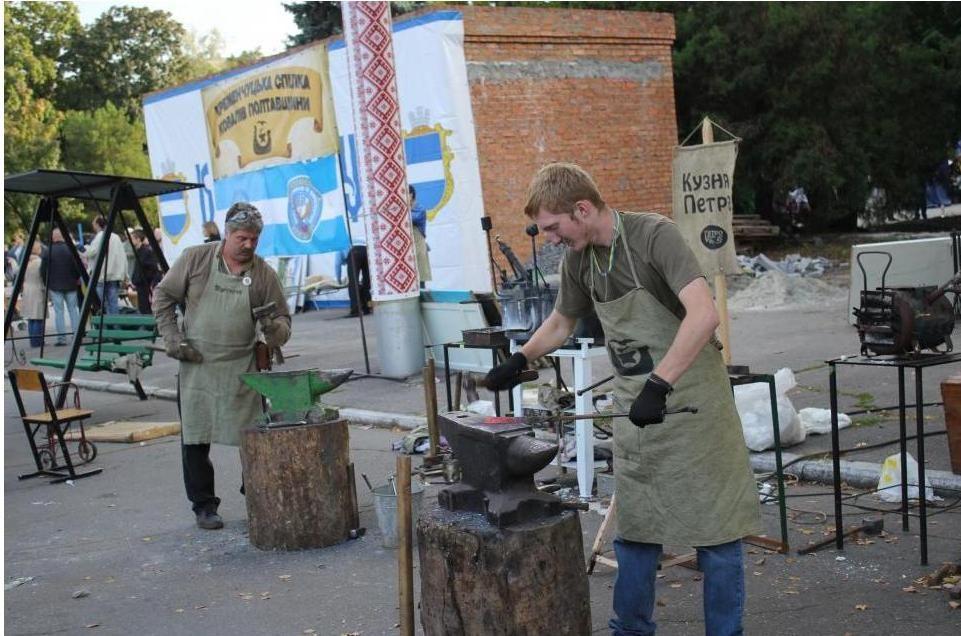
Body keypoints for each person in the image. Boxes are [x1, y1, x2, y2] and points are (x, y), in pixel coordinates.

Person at [484, 163, 761, 635]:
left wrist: (660, 383)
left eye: (553, 227)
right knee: (636, 529)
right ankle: (629, 631)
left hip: (693, 402)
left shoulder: (655, 237)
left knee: (717, 532)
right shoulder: (580, 260)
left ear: (583, 208)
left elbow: (703, 315)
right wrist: (520, 358)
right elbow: (562, 322)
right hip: (638, 408)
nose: (549, 239)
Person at [153, 202, 291, 530]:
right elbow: (162, 297)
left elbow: (285, 324)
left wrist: (273, 330)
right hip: (197, 366)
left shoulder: (263, 274)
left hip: (242, 368)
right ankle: (203, 506)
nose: (248, 245)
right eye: (242, 238)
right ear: (227, 234)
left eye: (254, 239)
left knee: (253, 437)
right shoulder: (195, 259)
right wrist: (172, 337)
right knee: (195, 440)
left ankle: (256, 494)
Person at [40, 229, 84, 346]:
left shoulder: (48, 251)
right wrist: (75, 278)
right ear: (63, 237)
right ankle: (76, 336)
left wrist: (47, 283)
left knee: (59, 312)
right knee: (73, 310)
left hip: (55, 286)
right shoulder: (71, 249)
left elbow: (43, 270)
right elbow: (77, 267)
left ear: (54, 238)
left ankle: (61, 339)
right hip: (71, 284)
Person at [86, 216, 127, 314]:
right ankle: (115, 326)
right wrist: (124, 274)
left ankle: (105, 327)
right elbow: (123, 256)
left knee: (101, 304)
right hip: (114, 276)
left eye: (93, 224)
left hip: (101, 276)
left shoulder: (100, 236)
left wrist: (86, 248)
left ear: (97, 224)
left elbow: (91, 252)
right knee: (113, 304)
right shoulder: (116, 237)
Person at [20, 243, 46, 347]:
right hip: (37, 289)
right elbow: (43, 276)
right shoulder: (39, 262)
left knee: (31, 318)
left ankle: (32, 341)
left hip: (27, 290)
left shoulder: (24, 261)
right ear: (38, 249)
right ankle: (38, 342)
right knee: (38, 317)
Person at [129, 229, 161, 315]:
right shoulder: (139, 251)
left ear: (138, 239)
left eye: (132, 238)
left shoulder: (146, 252)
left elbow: (153, 269)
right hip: (141, 286)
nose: (130, 241)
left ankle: (150, 327)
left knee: (146, 309)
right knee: (143, 308)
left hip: (145, 286)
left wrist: (149, 282)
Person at [409, 184, 431, 287]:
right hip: (408, 247)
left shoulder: (419, 209)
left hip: (418, 245)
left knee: (420, 274)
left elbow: (411, 219)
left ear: (411, 195)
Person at [345, 245, 371, 317]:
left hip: (355, 251)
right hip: (367, 250)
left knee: (353, 283)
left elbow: (337, 265)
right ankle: (367, 307)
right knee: (366, 281)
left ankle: (355, 310)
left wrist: (338, 279)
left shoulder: (339, 250)